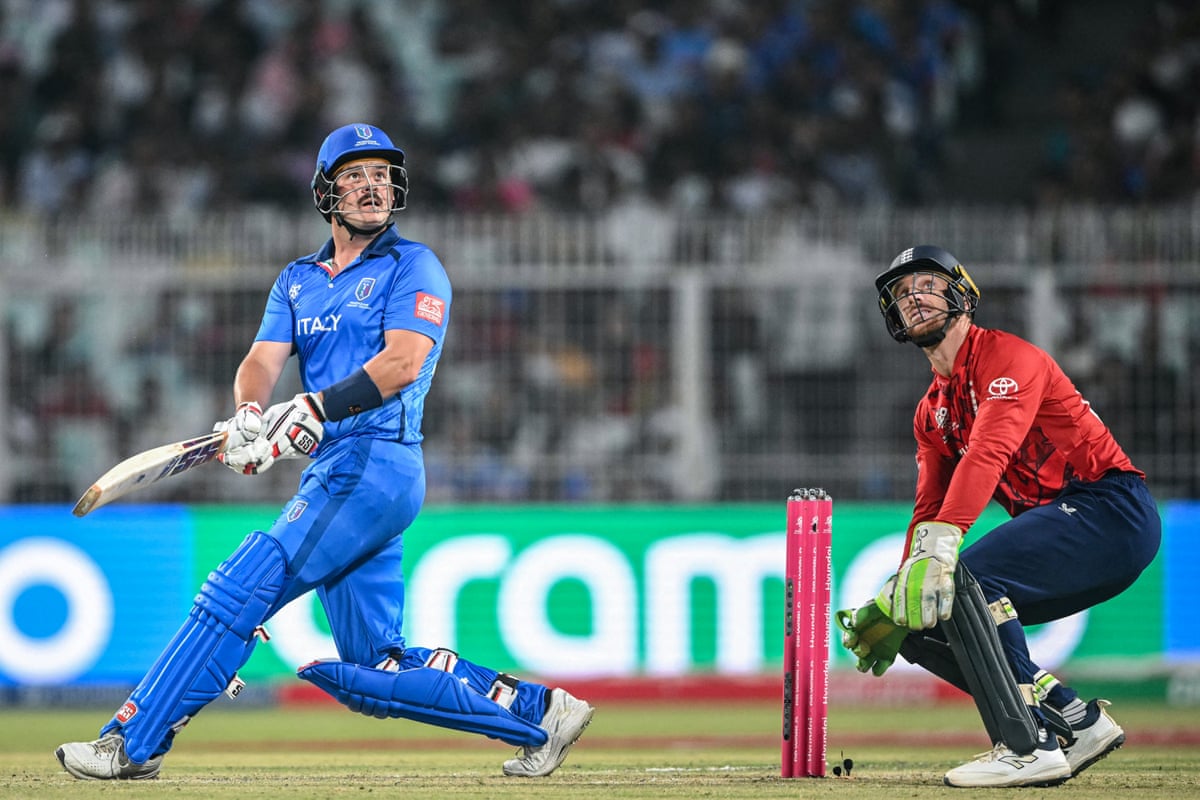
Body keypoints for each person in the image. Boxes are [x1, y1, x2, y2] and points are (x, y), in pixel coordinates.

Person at [55, 123, 594, 780]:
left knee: (239, 587)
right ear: (324, 192)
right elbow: (261, 361)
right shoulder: (297, 280)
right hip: (338, 470)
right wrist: (250, 414)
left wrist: (313, 408)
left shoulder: (413, 265)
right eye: (355, 175)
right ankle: (542, 713)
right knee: (375, 669)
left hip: (377, 464)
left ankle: (130, 743)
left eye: (382, 175)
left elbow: (401, 364)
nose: (372, 186)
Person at [837, 245, 1160, 788]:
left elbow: (989, 452)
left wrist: (941, 552)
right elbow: (928, 508)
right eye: (901, 292)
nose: (912, 297)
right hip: (1070, 524)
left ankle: (1028, 745)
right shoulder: (931, 412)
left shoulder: (1011, 358)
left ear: (963, 295)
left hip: (1111, 510)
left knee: (966, 580)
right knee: (922, 618)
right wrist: (905, 584)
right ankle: (1074, 721)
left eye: (926, 284)